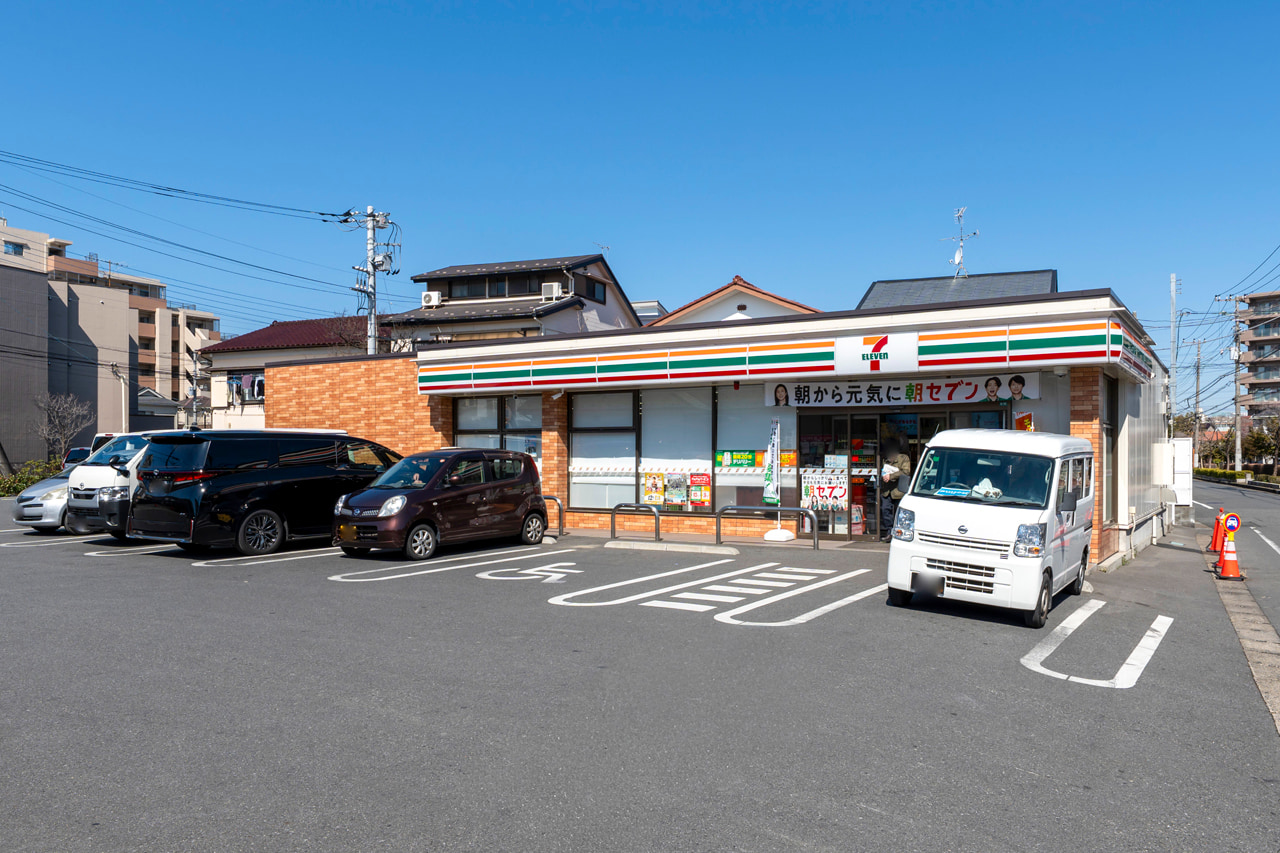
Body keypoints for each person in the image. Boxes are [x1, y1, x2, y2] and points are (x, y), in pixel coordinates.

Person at [880, 439, 912, 541]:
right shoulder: (885, 459)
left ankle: (900, 532)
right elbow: (883, 470)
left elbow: (906, 472)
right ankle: (889, 532)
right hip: (887, 491)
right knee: (885, 510)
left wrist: (892, 476)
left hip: (899, 490)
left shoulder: (903, 458)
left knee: (900, 513)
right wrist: (884, 476)